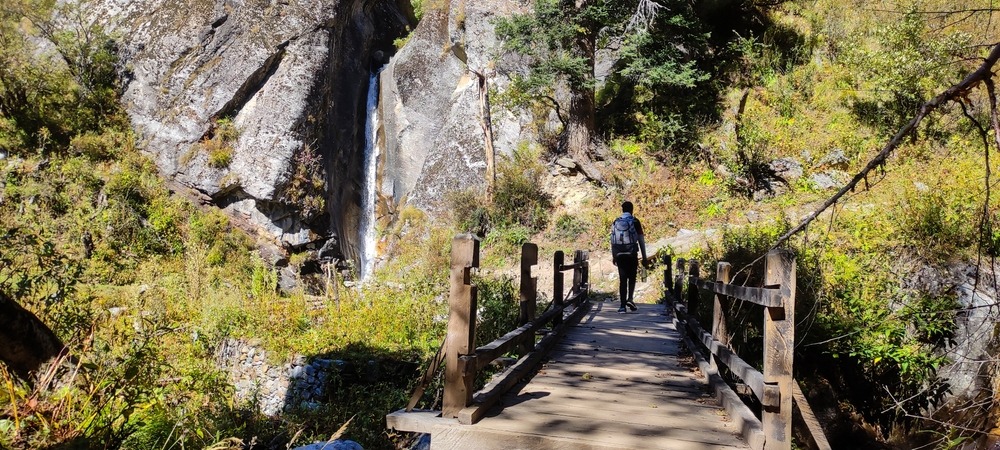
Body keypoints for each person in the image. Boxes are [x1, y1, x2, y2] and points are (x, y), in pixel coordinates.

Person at [610, 201, 648, 313]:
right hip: (632, 254)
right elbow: (641, 240)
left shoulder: (616, 222)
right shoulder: (635, 221)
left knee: (622, 279)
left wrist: (614, 255)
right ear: (632, 209)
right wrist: (644, 257)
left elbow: (612, 240)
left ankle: (622, 306)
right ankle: (630, 299)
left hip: (619, 254)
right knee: (632, 277)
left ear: (622, 209)